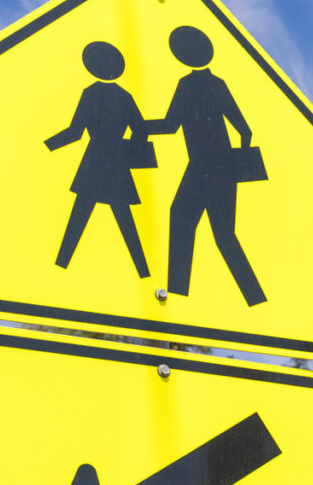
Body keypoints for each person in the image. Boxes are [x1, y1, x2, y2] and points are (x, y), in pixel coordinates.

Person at [149, 26, 266, 306]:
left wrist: (139, 127)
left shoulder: (186, 85)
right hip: (224, 166)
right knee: (223, 235)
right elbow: (245, 130)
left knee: (181, 218)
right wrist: (241, 162)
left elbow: (169, 125)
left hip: (202, 164)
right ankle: (255, 298)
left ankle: (177, 295)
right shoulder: (218, 84)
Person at [45, 40, 152, 278]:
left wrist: (48, 145)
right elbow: (141, 130)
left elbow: (75, 132)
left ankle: (60, 267)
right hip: (117, 163)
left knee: (79, 217)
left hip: (94, 162)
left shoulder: (90, 93)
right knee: (125, 221)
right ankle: (144, 272)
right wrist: (128, 152)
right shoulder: (125, 96)